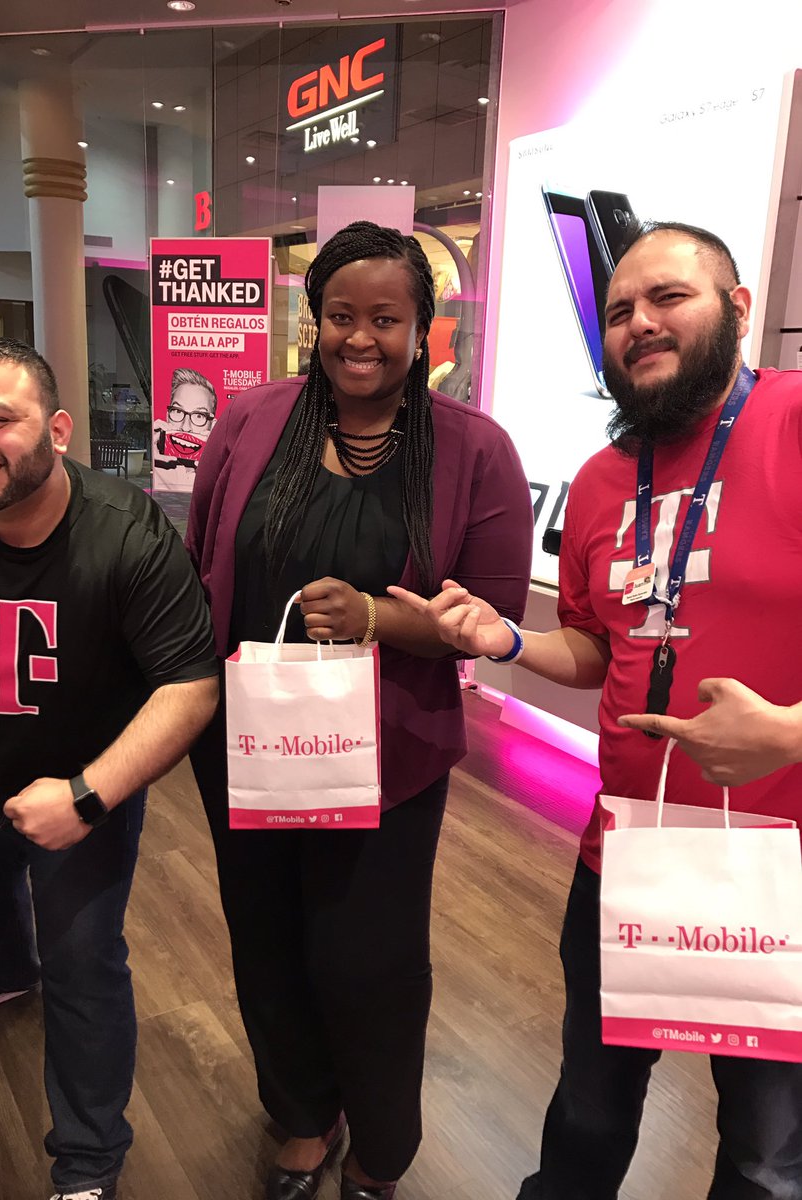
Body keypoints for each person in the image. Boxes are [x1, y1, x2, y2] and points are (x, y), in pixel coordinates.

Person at [390, 220, 802, 1199]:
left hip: (779, 870)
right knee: (590, 1106)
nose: (639, 323)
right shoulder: (604, 479)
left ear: (738, 310)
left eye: (669, 298)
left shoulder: (792, 422)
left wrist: (789, 734)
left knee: (765, 1150)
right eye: (619, 312)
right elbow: (598, 649)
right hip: (624, 857)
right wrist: (504, 640)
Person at [185, 220, 533, 1200]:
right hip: (248, 739)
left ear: (424, 329)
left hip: (386, 755)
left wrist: (381, 618)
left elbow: (492, 619)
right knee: (265, 940)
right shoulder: (250, 419)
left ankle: (382, 1143)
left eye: (387, 318)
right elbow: (202, 559)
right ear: (315, 322)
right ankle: (303, 1114)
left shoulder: (474, 449)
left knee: (366, 961)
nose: (361, 338)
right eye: (341, 316)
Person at [0, 335, 220, 1200]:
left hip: (87, 787)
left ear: (59, 429)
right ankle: (8, 968)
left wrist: (87, 797)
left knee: (85, 964)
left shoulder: (126, 532)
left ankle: (87, 1164)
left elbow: (190, 684)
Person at [153, 367, 218, 489]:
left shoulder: (222, 473)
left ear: (213, 426)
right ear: (167, 417)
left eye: (199, 415)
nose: (186, 427)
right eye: (178, 411)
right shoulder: (156, 465)